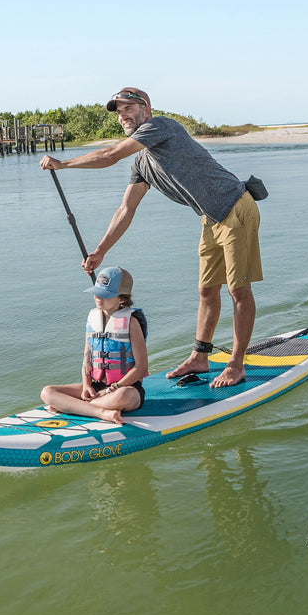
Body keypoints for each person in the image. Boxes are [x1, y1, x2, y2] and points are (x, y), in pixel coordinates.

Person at [40, 87, 263, 388]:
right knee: (207, 291)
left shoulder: (162, 126)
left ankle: (236, 365)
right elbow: (126, 209)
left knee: (238, 291)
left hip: (236, 207)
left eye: (129, 108)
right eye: (119, 112)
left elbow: (109, 155)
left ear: (146, 109)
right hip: (210, 219)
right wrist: (100, 251)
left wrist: (63, 164)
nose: (123, 115)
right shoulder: (142, 164)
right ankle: (200, 356)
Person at [41, 266, 148, 424]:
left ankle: (75, 407)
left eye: (105, 295)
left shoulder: (131, 323)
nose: (98, 297)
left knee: (124, 397)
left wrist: (112, 389)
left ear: (122, 298)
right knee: (48, 392)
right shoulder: (92, 319)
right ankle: (102, 412)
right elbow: (87, 358)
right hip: (97, 389)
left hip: (124, 388)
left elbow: (141, 368)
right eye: (97, 292)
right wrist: (86, 385)